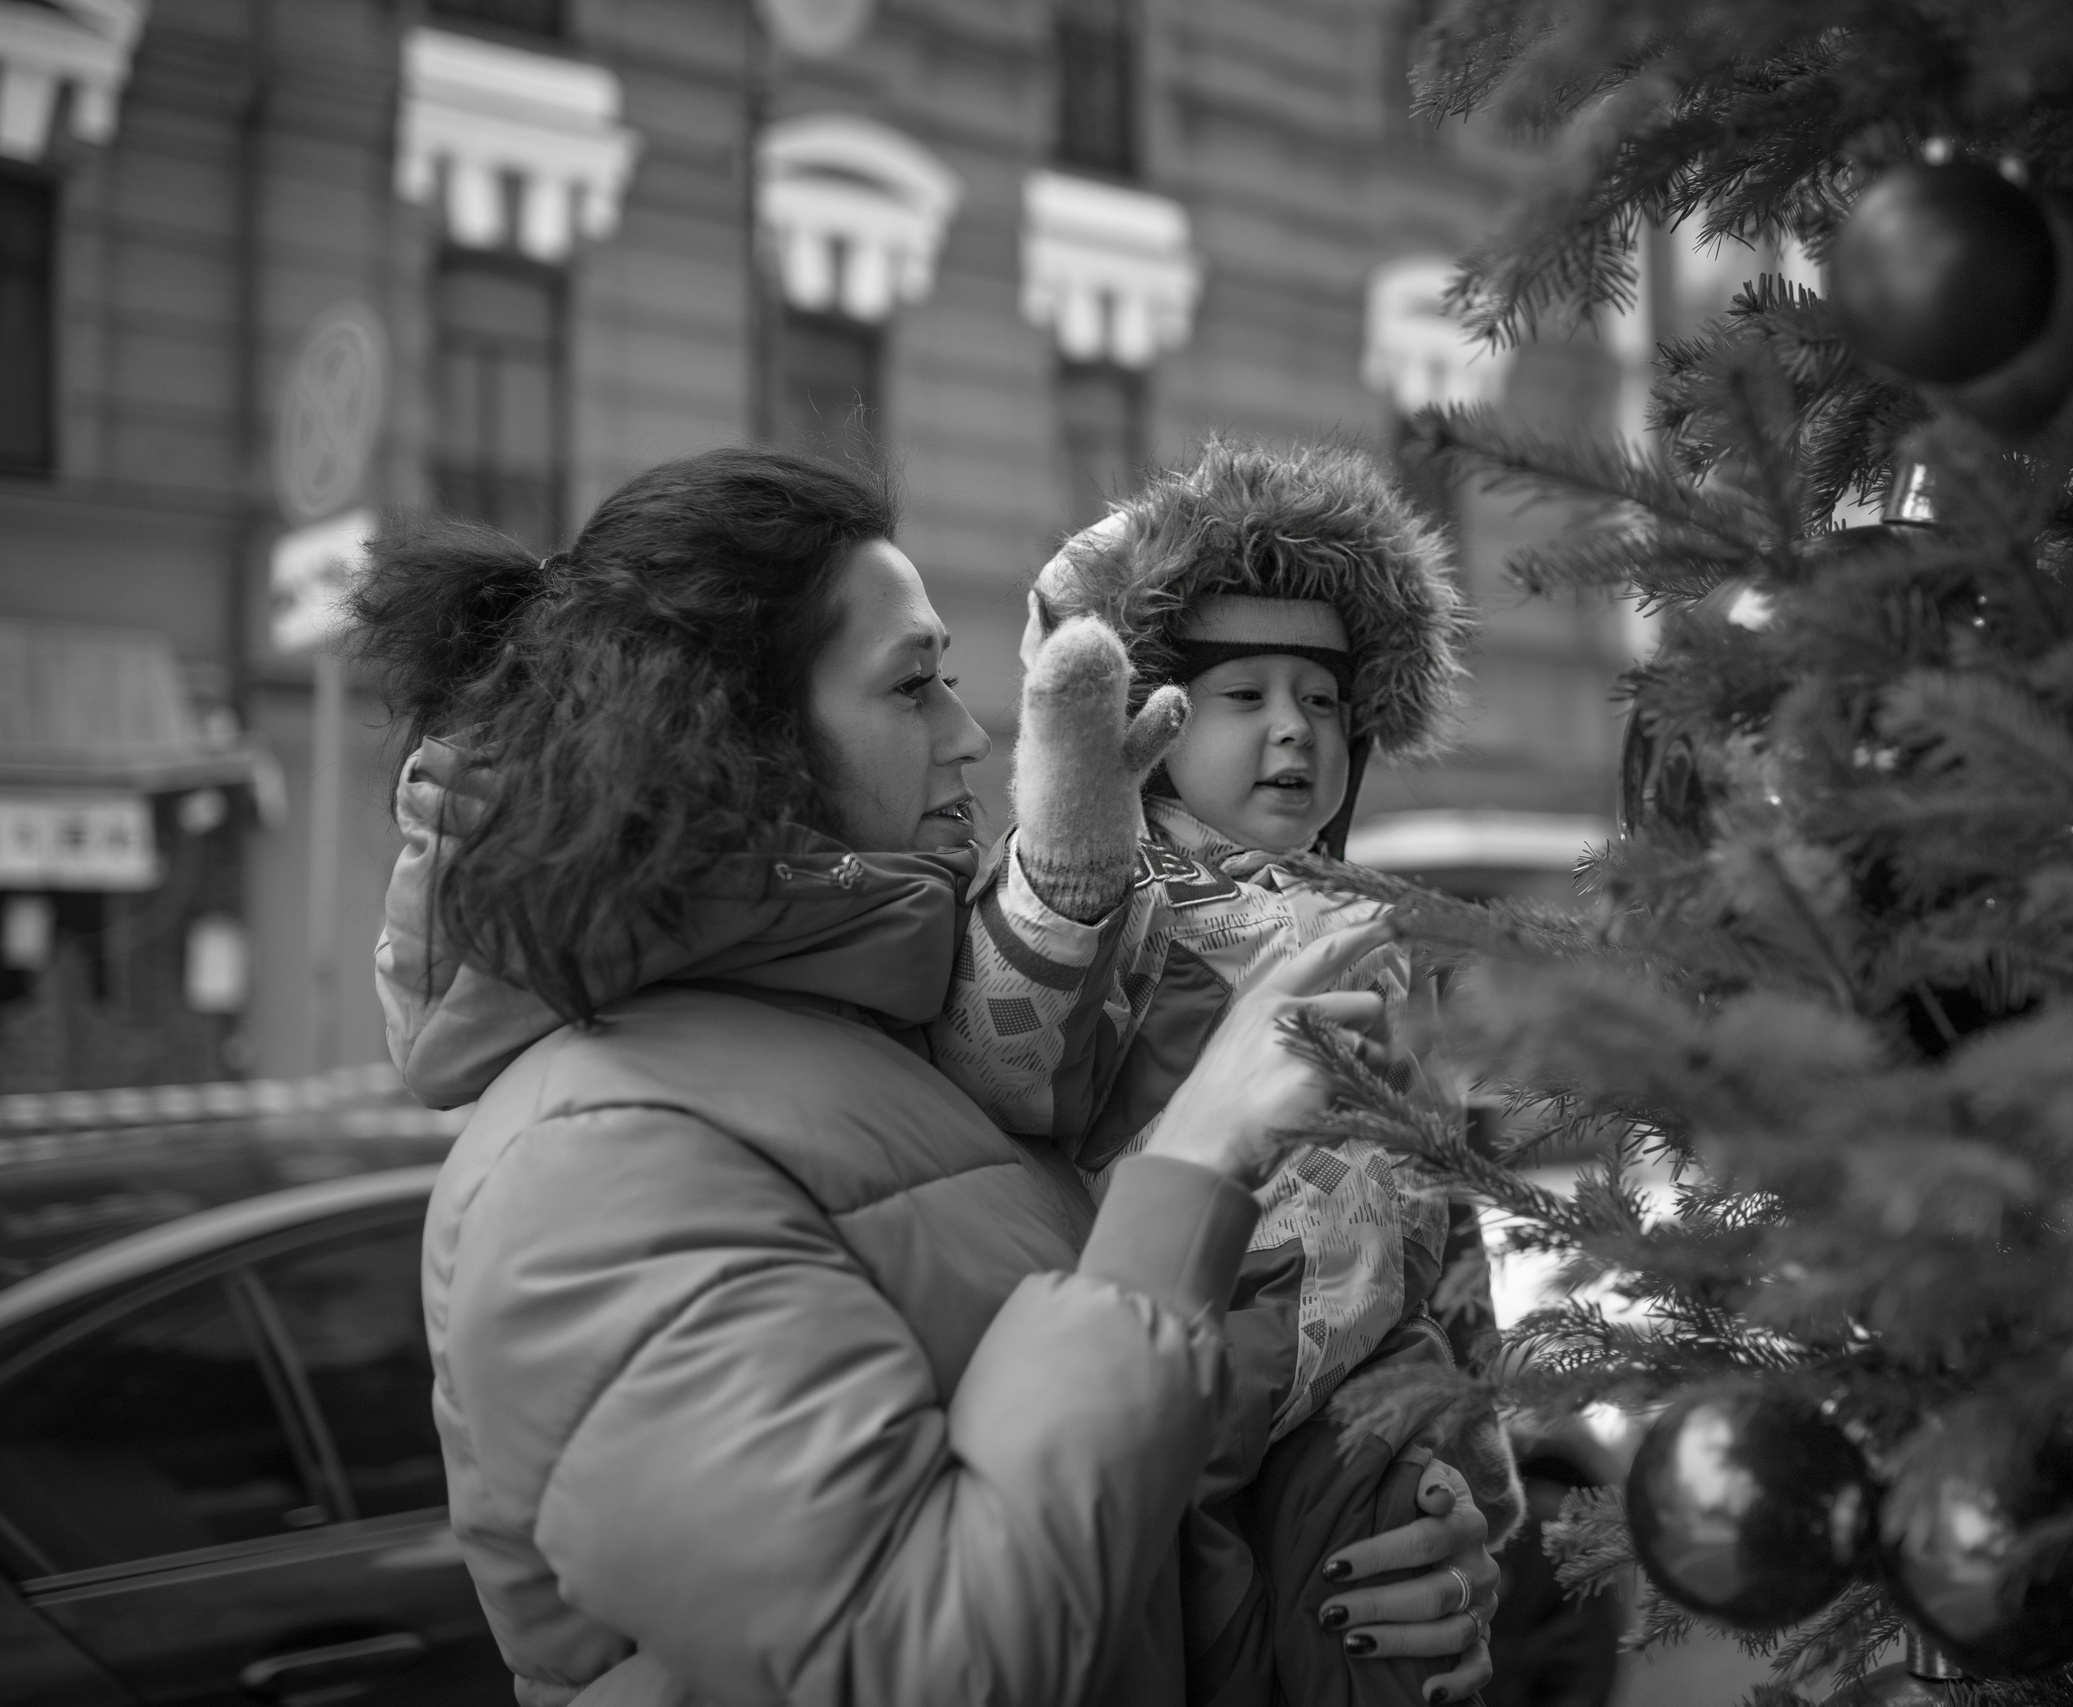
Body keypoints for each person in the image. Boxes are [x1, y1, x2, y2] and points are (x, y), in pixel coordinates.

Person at [354, 446, 1500, 1707]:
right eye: (913, 688)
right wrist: (1192, 1164)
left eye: (956, 680)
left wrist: (1382, 1559)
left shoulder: (888, 1030)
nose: (970, 735)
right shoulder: (583, 1164)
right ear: (733, 732)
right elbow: (925, 1663)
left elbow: (1103, 1511)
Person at [932, 440, 1511, 1706]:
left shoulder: (1384, 929)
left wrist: (1477, 1438)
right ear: (1153, 715)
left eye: (1320, 695)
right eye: (1241, 695)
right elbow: (1003, 1058)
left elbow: (1441, 1202)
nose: (1293, 729)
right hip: (1190, 1381)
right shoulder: (1125, 899)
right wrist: (1073, 846)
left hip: (1372, 1397)